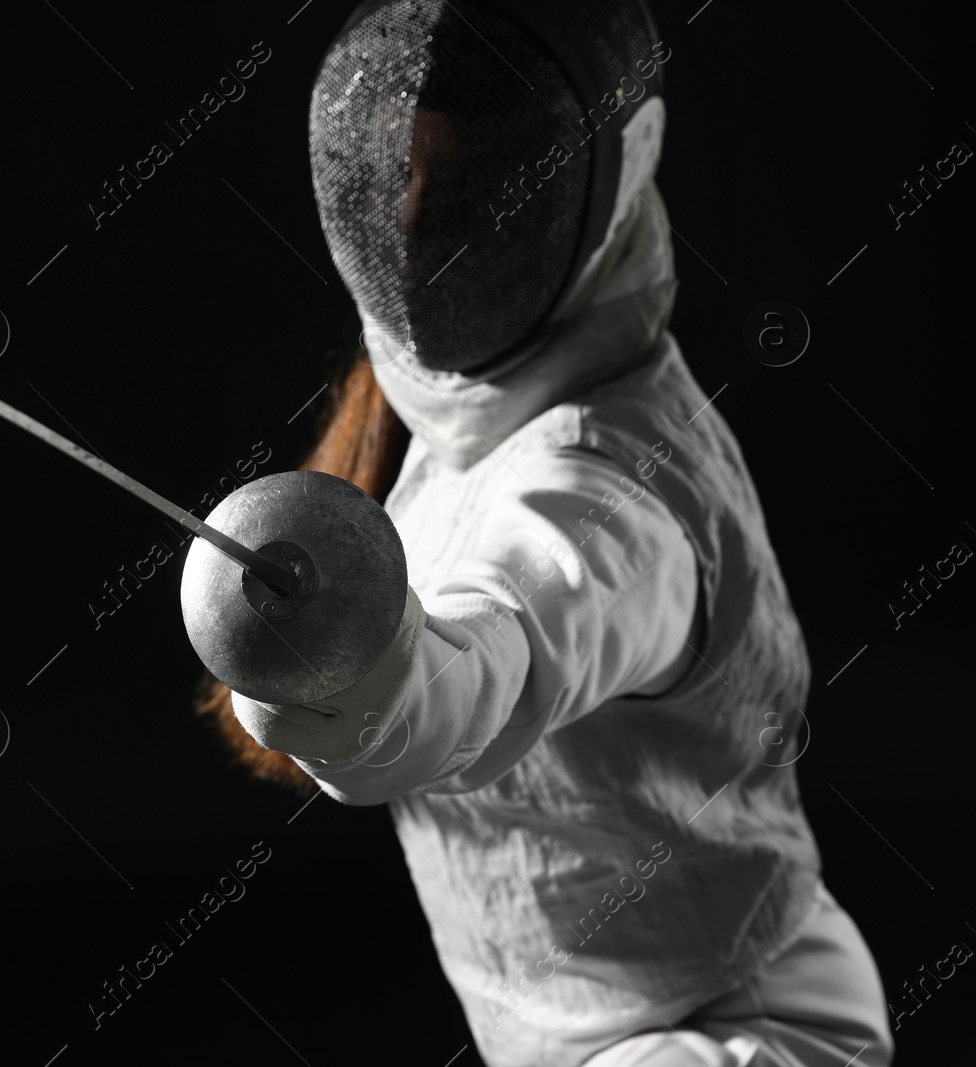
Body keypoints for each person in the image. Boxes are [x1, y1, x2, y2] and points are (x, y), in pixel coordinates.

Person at [192, 2, 895, 1064]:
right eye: (392, 169)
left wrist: (358, 678)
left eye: (477, 172)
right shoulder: (451, 430)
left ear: (614, 169)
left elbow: (501, 647)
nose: (422, 214)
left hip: (731, 1038)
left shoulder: (615, 485)